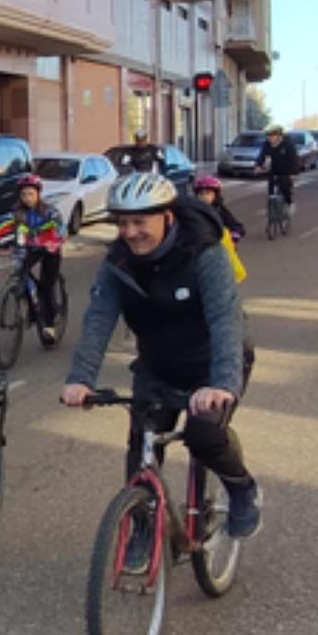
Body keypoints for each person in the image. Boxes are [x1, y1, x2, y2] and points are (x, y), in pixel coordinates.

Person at [61, 173, 261, 557]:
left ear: (167, 217)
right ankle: (143, 525)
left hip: (212, 363)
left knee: (203, 436)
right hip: (158, 364)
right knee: (142, 445)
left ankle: (241, 487)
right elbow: (99, 318)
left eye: (140, 222)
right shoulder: (118, 261)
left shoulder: (204, 252)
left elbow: (225, 320)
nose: (130, 232)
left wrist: (221, 383)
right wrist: (80, 379)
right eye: (122, 223)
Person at [0, 174, 66, 332]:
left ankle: (49, 324)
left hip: (49, 249)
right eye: (23, 194)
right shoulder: (17, 213)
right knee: (22, 273)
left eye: (31, 194)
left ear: (38, 194)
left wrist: (54, 242)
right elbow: (7, 229)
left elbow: (61, 230)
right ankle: (33, 309)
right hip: (29, 248)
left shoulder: (50, 211)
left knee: (47, 284)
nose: (27, 198)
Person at [254, 122, 300, 206]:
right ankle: (272, 211)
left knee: (285, 187)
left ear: (278, 136)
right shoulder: (267, 144)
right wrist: (258, 166)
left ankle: (289, 203)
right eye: (268, 136)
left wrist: (293, 173)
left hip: (286, 170)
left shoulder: (288, 145)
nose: (269, 138)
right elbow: (262, 156)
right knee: (271, 191)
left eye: (272, 136)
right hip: (274, 169)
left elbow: (294, 159)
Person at [192, 174, 245, 241]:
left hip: (217, 244)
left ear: (215, 195)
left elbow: (235, 225)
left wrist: (235, 233)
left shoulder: (219, 210)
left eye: (208, 193)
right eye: (201, 193)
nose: (204, 196)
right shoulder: (193, 210)